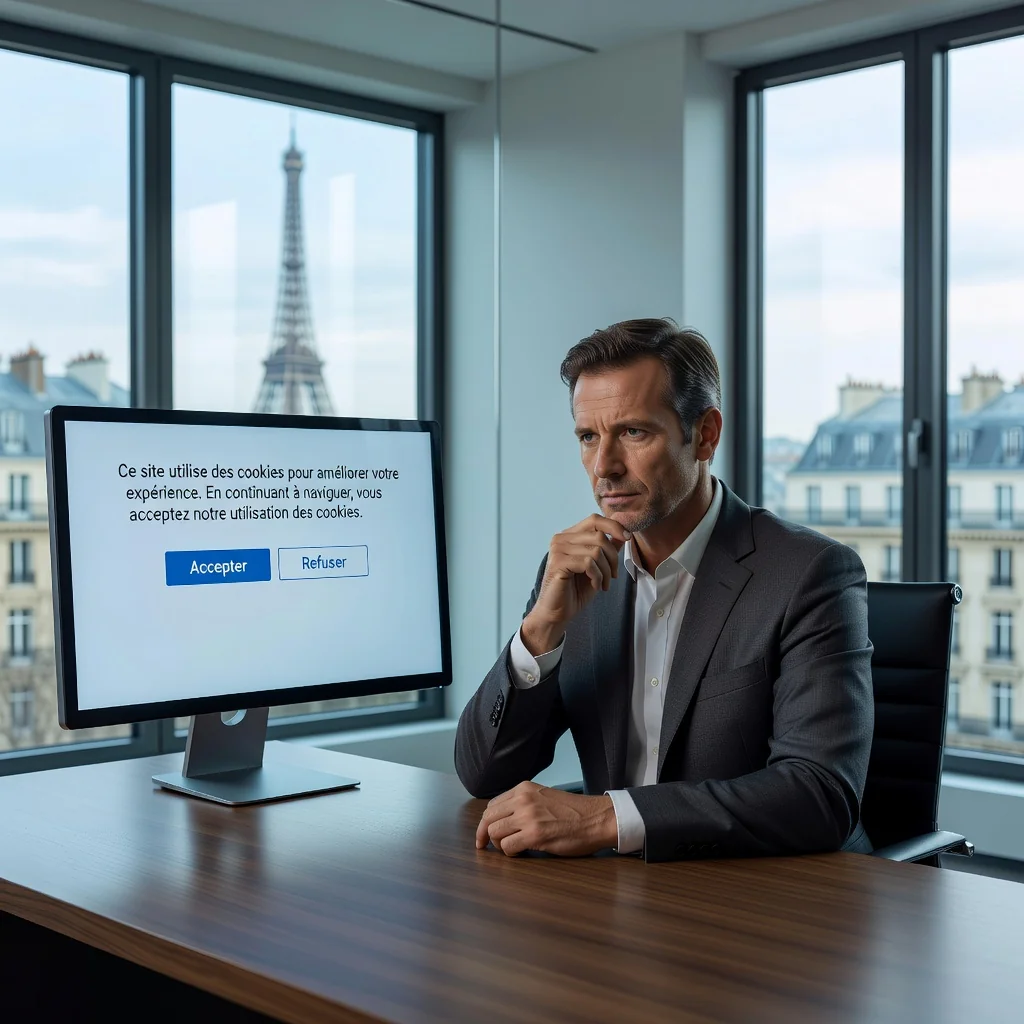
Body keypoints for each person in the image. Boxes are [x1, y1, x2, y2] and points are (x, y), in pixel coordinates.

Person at [455, 318, 874, 862]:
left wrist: (608, 818)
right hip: (620, 899)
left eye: (633, 432)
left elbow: (820, 793)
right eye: (588, 437)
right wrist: (539, 631)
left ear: (704, 434)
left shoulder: (810, 573)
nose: (604, 466)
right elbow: (483, 771)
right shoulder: (575, 575)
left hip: (769, 897)